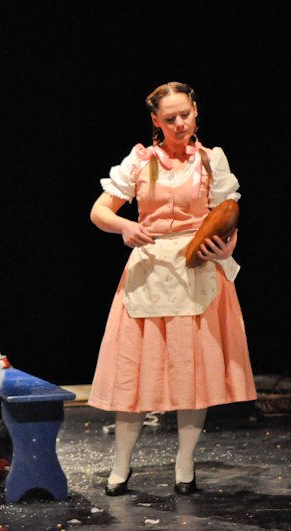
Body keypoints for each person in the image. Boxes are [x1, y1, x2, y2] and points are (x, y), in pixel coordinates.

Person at [88, 82, 256, 496]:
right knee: (132, 372)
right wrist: (125, 226)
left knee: (192, 374)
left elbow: (227, 215)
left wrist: (226, 247)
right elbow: (99, 211)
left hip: (197, 271)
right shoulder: (141, 160)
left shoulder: (211, 160)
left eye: (185, 114)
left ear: (196, 111)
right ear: (155, 121)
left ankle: (185, 465)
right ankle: (120, 466)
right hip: (149, 271)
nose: (180, 124)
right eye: (170, 118)